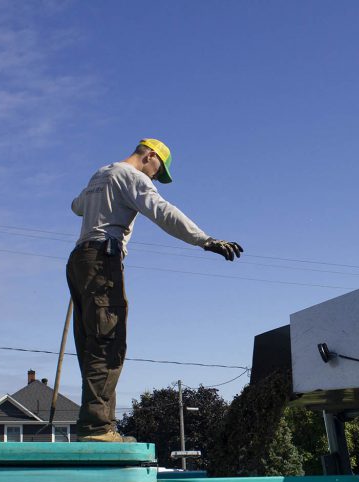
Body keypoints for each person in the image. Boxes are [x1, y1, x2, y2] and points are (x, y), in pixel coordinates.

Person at [67, 138, 243, 442]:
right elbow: (162, 211)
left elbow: (77, 207)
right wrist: (205, 240)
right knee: (108, 343)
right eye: (156, 172)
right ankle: (97, 429)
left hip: (79, 261)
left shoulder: (101, 174)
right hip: (102, 261)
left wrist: (101, 200)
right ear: (150, 156)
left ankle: (100, 425)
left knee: (90, 342)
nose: (153, 179)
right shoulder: (132, 177)